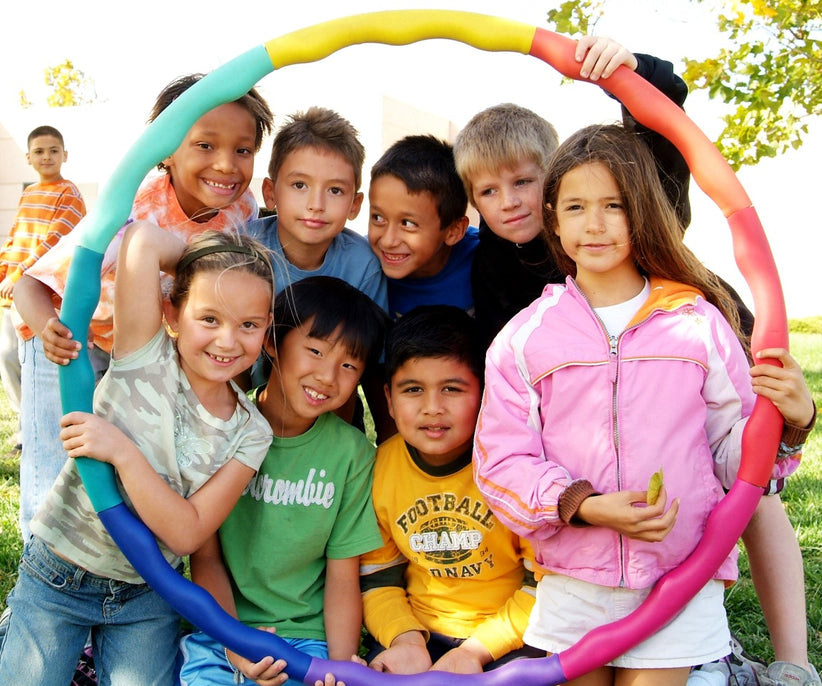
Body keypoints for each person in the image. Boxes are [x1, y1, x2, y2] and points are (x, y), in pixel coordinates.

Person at [473, 123, 816, 686]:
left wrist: (791, 427)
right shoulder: (524, 337)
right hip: (575, 583)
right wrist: (582, 504)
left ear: (643, 212)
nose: (596, 224)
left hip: (679, 578)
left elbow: (737, 460)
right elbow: (500, 462)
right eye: (578, 206)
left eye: (614, 205)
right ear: (554, 217)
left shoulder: (698, 324)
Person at [0, 221, 276, 685]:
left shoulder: (251, 433)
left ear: (266, 328)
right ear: (172, 313)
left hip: (148, 597)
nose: (228, 340)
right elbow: (143, 240)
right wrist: (209, 260)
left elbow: (187, 534)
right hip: (59, 573)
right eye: (209, 317)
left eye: (248, 324)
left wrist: (124, 455)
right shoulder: (143, 351)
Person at [11, 73, 273, 542]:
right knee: (56, 467)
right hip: (66, 341)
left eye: (243, 150)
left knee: (118, 459)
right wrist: (48, 328)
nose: (227, 165)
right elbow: (30, 284)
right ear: (165, 150)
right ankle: (36, 573)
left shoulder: (242, 209)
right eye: (205, 145)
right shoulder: (133, 209)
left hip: (132, 352)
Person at [178, 275, 388, 686]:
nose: (328, 376)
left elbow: (342, 574)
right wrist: (236, 644)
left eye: (348, 365)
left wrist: (341, 664)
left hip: (308, 642)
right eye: (314, 350)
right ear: (272, 342)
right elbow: (205, 558)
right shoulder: (220, 431)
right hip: (221, 631)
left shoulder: (353, 455)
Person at [358, 304, 543, 675]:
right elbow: (378, 580)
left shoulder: (518, 470)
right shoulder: (378, 470)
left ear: (486, 392)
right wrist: (403, 639)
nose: (433, 408)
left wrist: (476, 652)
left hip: (510, 638)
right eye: (413, 390)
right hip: (417, 635)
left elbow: (544, 586)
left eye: (452, 389)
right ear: (389, 401)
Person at [245, 106, 387, 409]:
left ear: (354, 204)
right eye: (300, 185)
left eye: (335, 190)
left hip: (329, 404)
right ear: (270, 193)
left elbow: (363, 365)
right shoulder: (245, 249)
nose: (316, 204)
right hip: (252, 401)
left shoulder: (362, 266)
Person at [0, 125, 85, 451]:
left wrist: (19, 273)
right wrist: (5, 272)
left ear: (65, 155)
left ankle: (42, 433)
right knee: (8, 357)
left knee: (41, 365)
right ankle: (26, 422)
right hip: (14, 291)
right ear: (28, 158)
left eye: (53, 150)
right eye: (39, 151)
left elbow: (57, 241)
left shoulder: (69, 193)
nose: (46, 157)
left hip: (44, 296)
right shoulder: (28, 193)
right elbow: (16, 238)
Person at [367, 134, 476, 320]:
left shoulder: (484, 259)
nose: (388, 240)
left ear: (454, 230)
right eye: (378, 217)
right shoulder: (364, 267)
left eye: (408, 224)